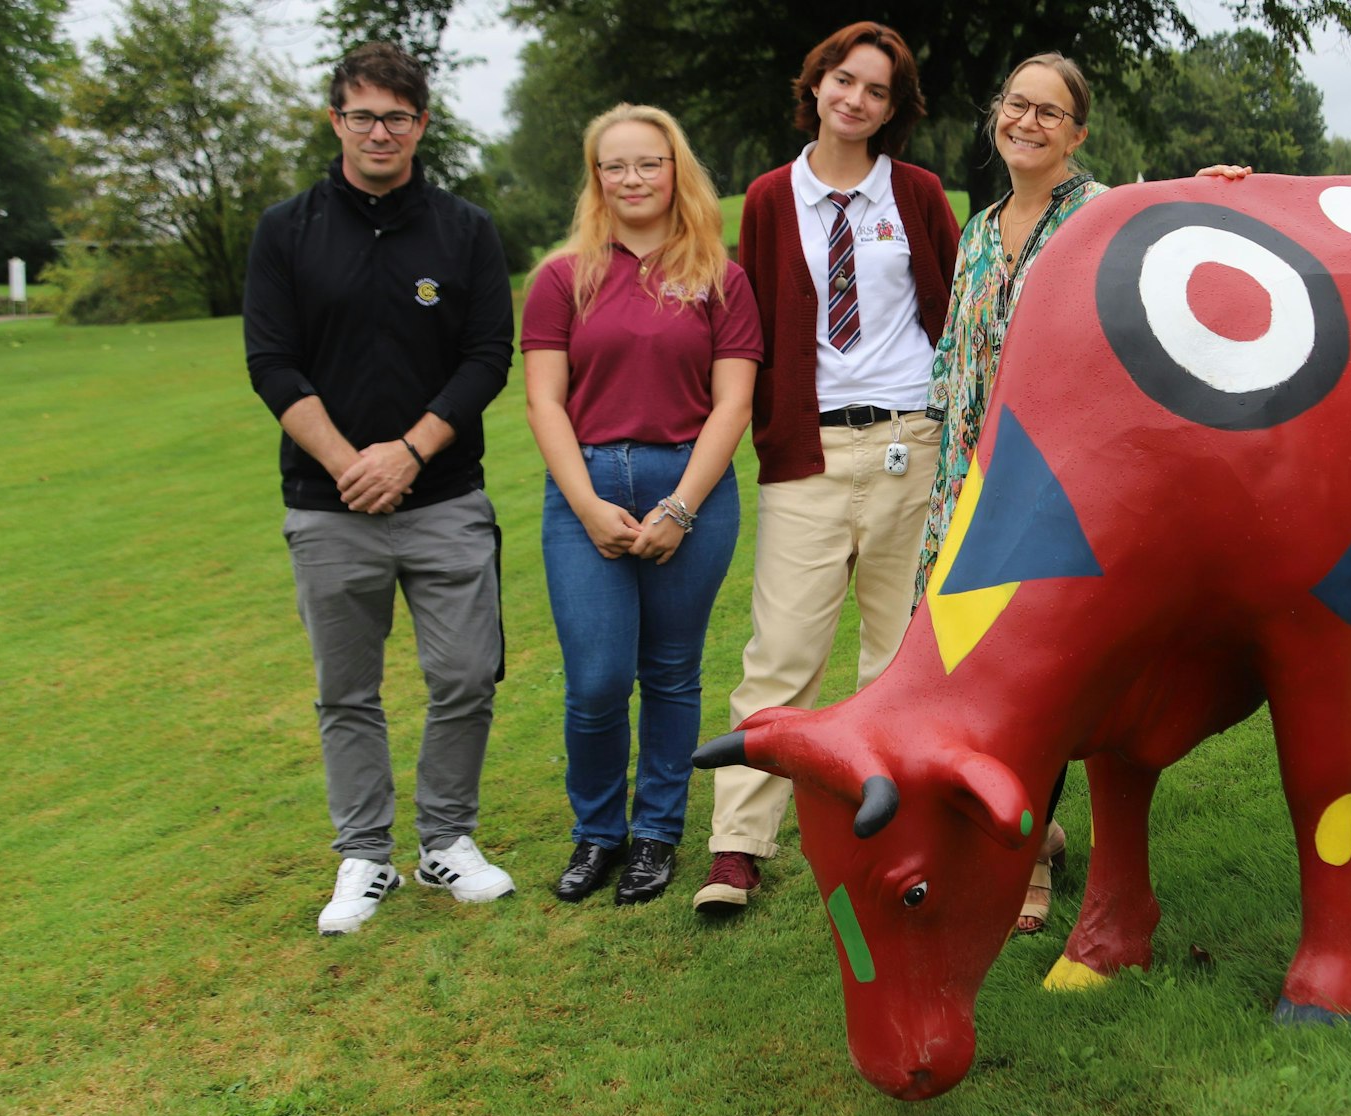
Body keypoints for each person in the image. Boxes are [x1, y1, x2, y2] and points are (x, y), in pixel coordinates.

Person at [915, 54, 1248, 934]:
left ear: (1077, 133)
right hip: (967, 481)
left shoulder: (1098, 213)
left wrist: (1213, 186)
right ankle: (1030, 828)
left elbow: (1170, 227)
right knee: (972, 673)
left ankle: (1019, 862)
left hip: (1054, 482)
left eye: (1049, 112)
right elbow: (956, 355)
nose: (1028, 122)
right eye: (1016, 105)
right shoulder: (979, 226)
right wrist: (946, 481)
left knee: (1036, 674)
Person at [245, 42, 516, 936]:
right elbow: (271, 362)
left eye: (398, 117)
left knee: (466, 673)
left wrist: (407, 450)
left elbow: (486, 358)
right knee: (346, 692)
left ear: (422, 125)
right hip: (329, 508)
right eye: (362, 115)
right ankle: (365, 855)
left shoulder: (465, 229)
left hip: (443, 497)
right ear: (336, 121)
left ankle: (446, 842)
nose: (380, 132)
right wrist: (349, 463)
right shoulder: (286, 230)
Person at [694, 21, 962, 914]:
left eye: (877, 90)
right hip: (807, 450)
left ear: (894, 108)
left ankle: (896, 819)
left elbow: (963, 308)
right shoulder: (772, 197)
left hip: (909, 444)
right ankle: (738, 844)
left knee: (899, 655)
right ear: (815, 86)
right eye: (843, 81)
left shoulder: (916, 194)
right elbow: (757, 324)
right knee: (783, 653)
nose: (856, 99)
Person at [522, 105, 762, 906]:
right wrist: (587, 505)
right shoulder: (562, 277)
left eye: (648, 163)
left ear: (675, 170)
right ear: (596, 178)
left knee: (668, 671)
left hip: (688, 487)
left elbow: (732, 406)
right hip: (584, 489)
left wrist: (681, 508)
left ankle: (657, 832)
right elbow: (544, 403)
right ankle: (598, 832)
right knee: (595, 680)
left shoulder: (720, 278)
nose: (632, 179)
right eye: (614, 166)